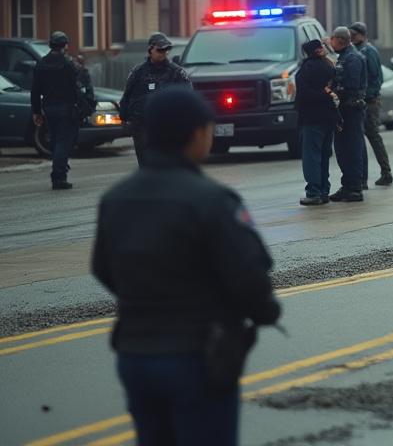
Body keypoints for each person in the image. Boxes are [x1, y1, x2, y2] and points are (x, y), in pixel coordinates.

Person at [92, 86, 280, 446]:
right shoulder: (211, 200)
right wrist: (265, 311)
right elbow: (248, 275)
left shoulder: (116, 198)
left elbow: (102, 267)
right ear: (196, 133)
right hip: (195, 356)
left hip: (134, 354)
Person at [119, 33, 190, 166]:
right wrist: (124, 118)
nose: (163, 53)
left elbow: (188, 98)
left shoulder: (176, 73)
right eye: (160, 50)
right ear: (150, 50)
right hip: (142, 123)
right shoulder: (138, 72)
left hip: (167, 124)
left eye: (166, 50)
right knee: (145, 160)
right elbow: (127, 96)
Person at [30, 31, 80, 190]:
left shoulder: (42, 63)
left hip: (49, 108)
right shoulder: (68, 64)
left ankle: (59, 172)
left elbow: (35, 90)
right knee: (63, 143)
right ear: (65, 45)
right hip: (66, 109)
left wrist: (36, 111)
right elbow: (75, 88)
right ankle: (59, 177)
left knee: (55, 141)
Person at [295, 39, 338, 206]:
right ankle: (324, 190)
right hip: (329, 117)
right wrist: (327, 95)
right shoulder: (329, 66)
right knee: (324, 155)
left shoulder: (307, 69)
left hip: (312, 118)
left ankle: (314, 192)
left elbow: (304, 94)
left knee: (311, 156)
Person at [350, 21, 393, 187]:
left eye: (354, 35)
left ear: (362, 35)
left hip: (370, 101)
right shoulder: (356, 51)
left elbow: (376, 78)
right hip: (362, 101)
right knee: (360, 138)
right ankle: (362, 177)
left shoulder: (369, 51)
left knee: (373, 136)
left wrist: (368, 96)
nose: (352, 38)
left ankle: (386, 172)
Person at [327, 26, 367, 202]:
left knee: (352, 149)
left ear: (341, 40)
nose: (330, 41)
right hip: (343, 110)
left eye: (333, 38)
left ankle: (355, 187)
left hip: (351, 110)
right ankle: (347, 185)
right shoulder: (344, 57)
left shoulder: (353, 59)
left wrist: (333, 91)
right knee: (342, 150)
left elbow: (351, 85)